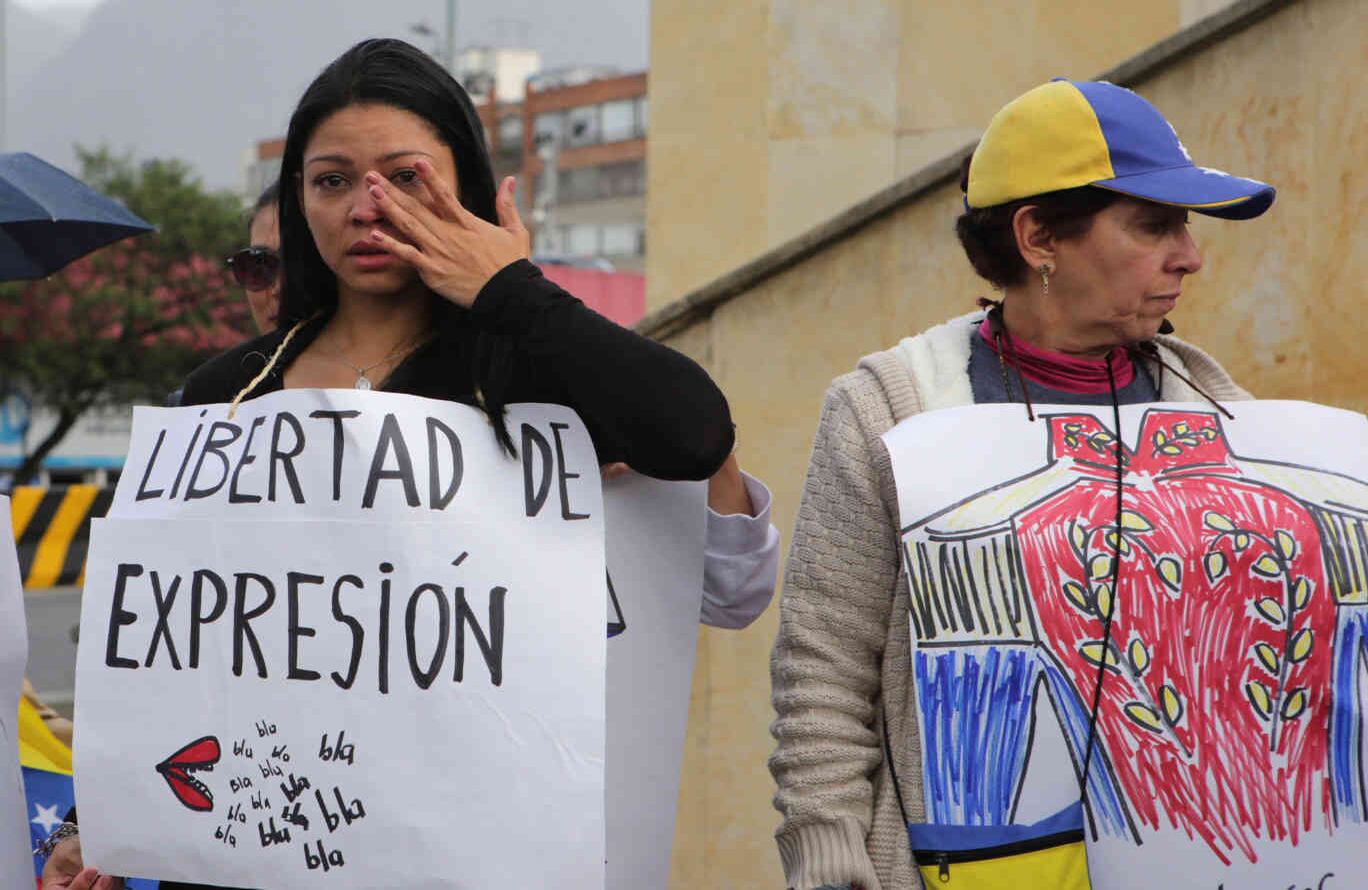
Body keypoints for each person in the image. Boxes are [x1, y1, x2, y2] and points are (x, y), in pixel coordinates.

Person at [768, 78, 1276, 889]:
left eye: (1184, 225)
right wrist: (830, 863)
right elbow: (823, 671)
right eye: (1154, 224)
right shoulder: (887, 411)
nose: (1190, 254)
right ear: (1039, 235)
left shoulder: (1223, 413)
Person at [233, 181, 779, 629]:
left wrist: (516, 293)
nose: (281, 286)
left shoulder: (534, 399)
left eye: (301, 262)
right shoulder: (212, 416)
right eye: (259, 265)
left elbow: (733, 592)